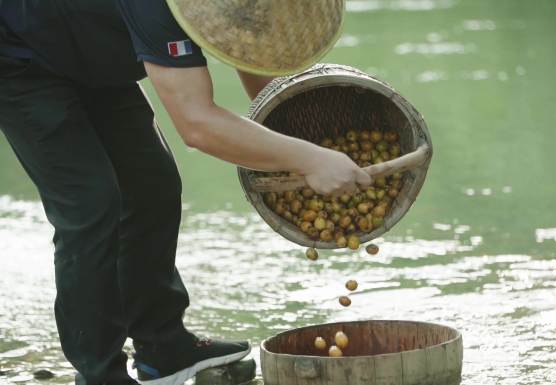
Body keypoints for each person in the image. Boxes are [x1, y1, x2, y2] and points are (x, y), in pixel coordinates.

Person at [0, 0, 370, 384]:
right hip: (19, 58)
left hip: (91, 50)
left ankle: (163, 348)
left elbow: (254, 57)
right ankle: (100, 372)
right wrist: (309, 160)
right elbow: (197, 125)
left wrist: (303, 145)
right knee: (91, 204)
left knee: (153, 187)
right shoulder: (159, 8)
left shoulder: (232, 7)